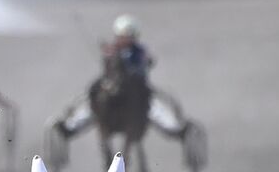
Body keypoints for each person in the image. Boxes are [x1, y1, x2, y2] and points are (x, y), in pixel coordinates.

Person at [52, 14, 188, 140]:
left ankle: (174, 128)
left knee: (153, 107)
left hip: (137, 87)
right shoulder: (112, 50)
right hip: (111, 84)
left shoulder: (139, 51)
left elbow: (149, 61)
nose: (126, 39)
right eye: (123, 36)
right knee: (91, 98)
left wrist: (142, 63)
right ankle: (71, 126)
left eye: (129, 36)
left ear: (135, 36)